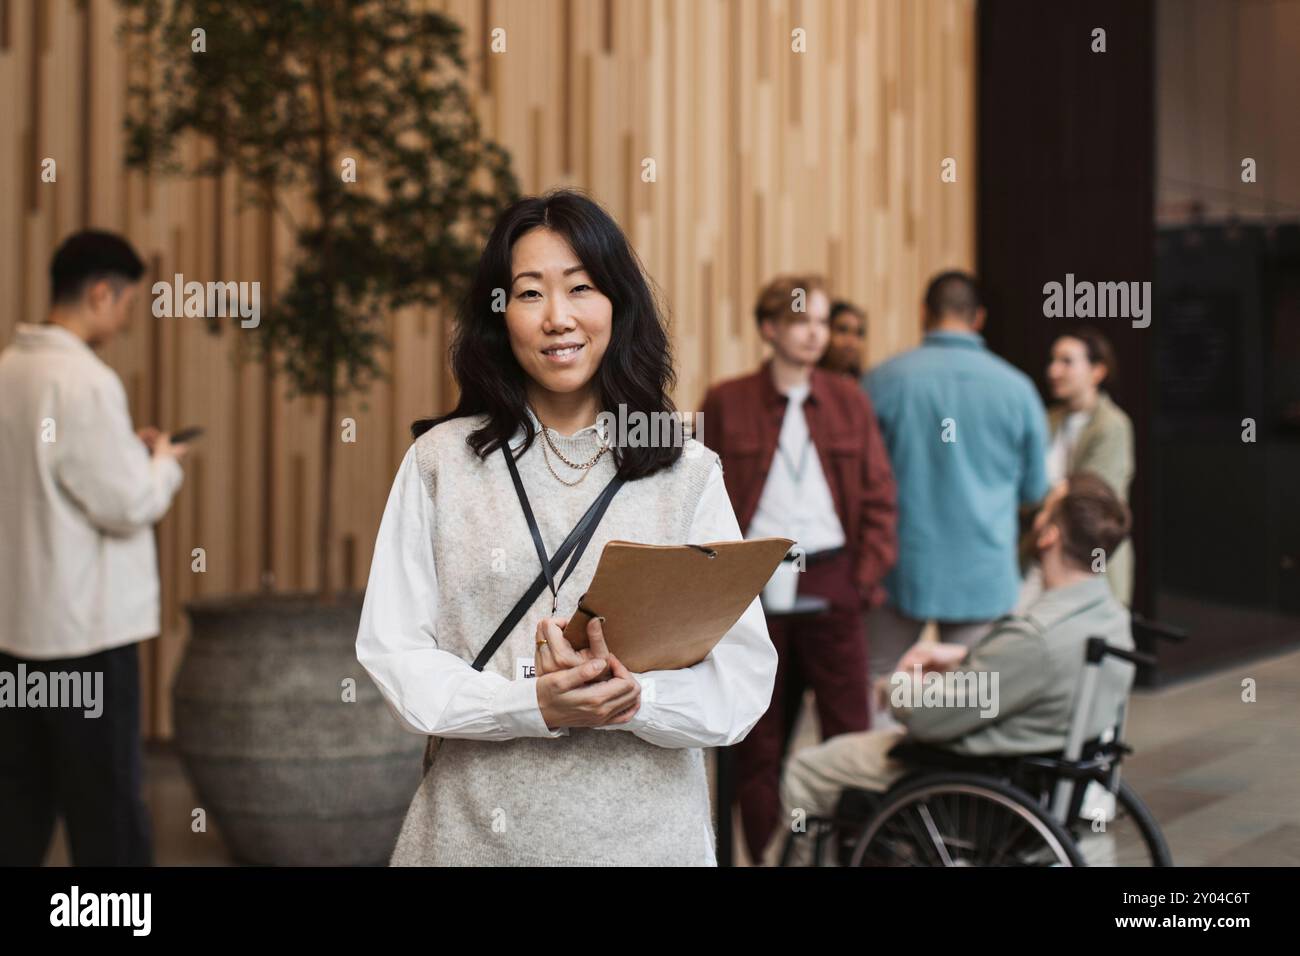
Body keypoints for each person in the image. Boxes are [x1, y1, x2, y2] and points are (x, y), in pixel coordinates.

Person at [355, 189, 777, 866]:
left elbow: (742, 678)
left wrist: (637, 697)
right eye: (529, 294)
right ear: (499, 314)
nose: (558, 318)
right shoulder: (441, 463)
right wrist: (530, 705)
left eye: (581, 288)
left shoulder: (686, 470)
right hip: (473, 838)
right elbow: (394, 652)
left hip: (646, 842)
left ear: (617, 304)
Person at [778, 473, 1135, 863]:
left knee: (807, 769)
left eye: (1045, 509)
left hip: (977, 778)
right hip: (1038, 768)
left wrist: (894, 688)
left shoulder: (1035, 638)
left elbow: (928, 719)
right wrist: (965, 659)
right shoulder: (1111, 618)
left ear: (1048, 535)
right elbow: (1024, 677)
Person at [0, 230, 189, 866]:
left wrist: (121, 452)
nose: (126, 316)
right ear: (103, 292)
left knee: (19, 806)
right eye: (128, 301)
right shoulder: (84, 381)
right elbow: (127, 504)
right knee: (105, 813)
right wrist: (163, 463)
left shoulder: (9, 369)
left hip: (17, 635)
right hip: (87, 642)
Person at [701, 274, 897, 866]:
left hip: (833, 581)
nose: (816, 333)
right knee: (757, 741)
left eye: (821, 321)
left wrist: (862, 580)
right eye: (802, 321)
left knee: (850, 734)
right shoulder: (728, 400)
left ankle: (854, 854)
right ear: (770, 329)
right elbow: (700, 497)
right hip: (754, 585)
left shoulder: (849, 400)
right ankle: (763, 856)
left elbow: (881, 497)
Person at [862, 271, 1050, 685]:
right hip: (982, 568)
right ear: (978, 318)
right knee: (972, 691)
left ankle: (880, 752)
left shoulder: (882, 382)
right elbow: (1036, 490)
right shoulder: (1017, 389)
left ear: (924, 313)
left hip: (900, 565)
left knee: (876, 681)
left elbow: (858, 480)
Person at [1037, 327, 1135, 605]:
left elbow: (1093, 498)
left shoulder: (1112, 425)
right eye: (1053, 361)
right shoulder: (1049, 419)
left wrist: (1052, 500)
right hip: (1050, 555)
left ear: (1097, 371)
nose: (1053, 370)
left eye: (1066, 362)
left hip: (1093, 557)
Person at [818, 299, 868, 377]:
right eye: (842, 330)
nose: (852, 342)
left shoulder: (864, 385)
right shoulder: (806, 382)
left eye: (859, 333)